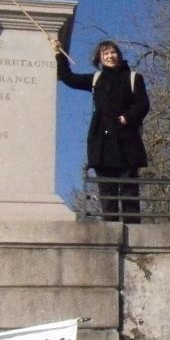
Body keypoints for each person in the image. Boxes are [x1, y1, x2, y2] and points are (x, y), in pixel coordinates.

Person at [53, 39, 151, 221]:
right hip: (102, 144)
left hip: (127, 142)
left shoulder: (134, 78)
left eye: (112, 52)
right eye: (105, 54)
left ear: (119, 55)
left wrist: (127, 118)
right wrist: (60, 54)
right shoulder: (96, 79)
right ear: (99, 58)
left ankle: (133, 229)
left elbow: (143, 104)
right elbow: (69, 78)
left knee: (129, 189)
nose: (109, 56)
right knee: (107, 191)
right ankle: (111, 229)